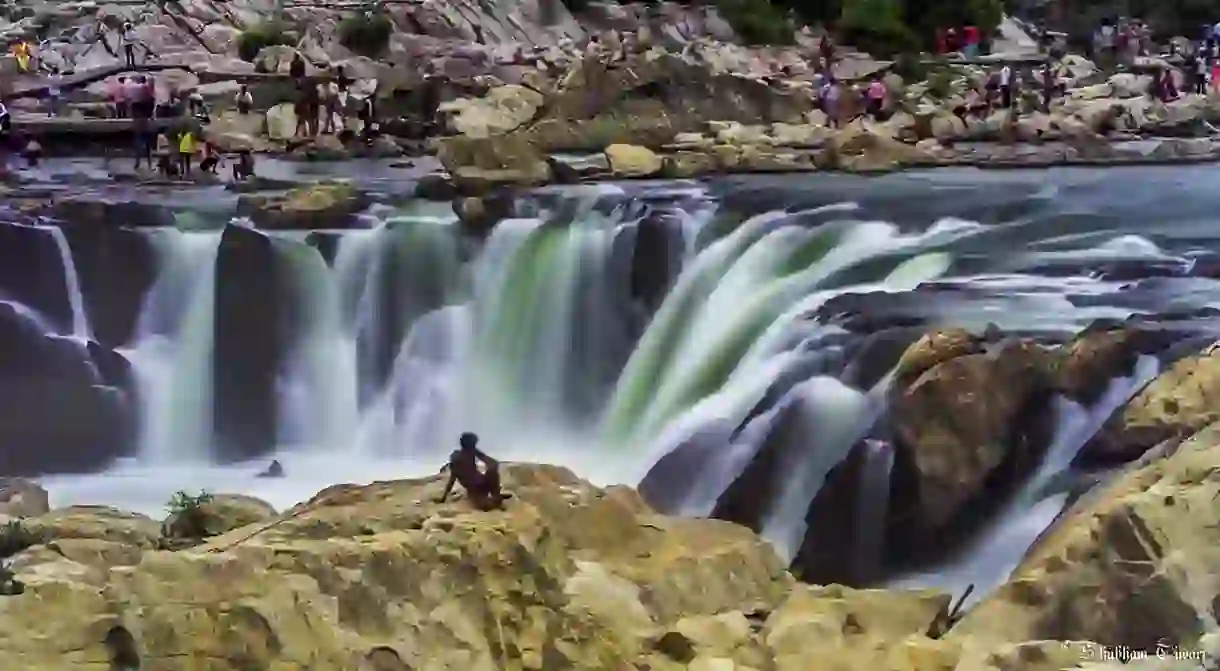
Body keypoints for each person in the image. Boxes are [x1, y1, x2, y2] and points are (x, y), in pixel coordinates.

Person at [436, 432, 509, 511]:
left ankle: (496, 496)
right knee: (486, 507)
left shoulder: (473, 451)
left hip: (482, 483)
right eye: (473, 444)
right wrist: (443, 498)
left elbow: (491, 461)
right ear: (468, 445)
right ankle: (494, 498)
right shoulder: (457, 458)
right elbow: (452, 479)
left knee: (493, 472)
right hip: (473, 489)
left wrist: (491, 465)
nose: (475, 446)